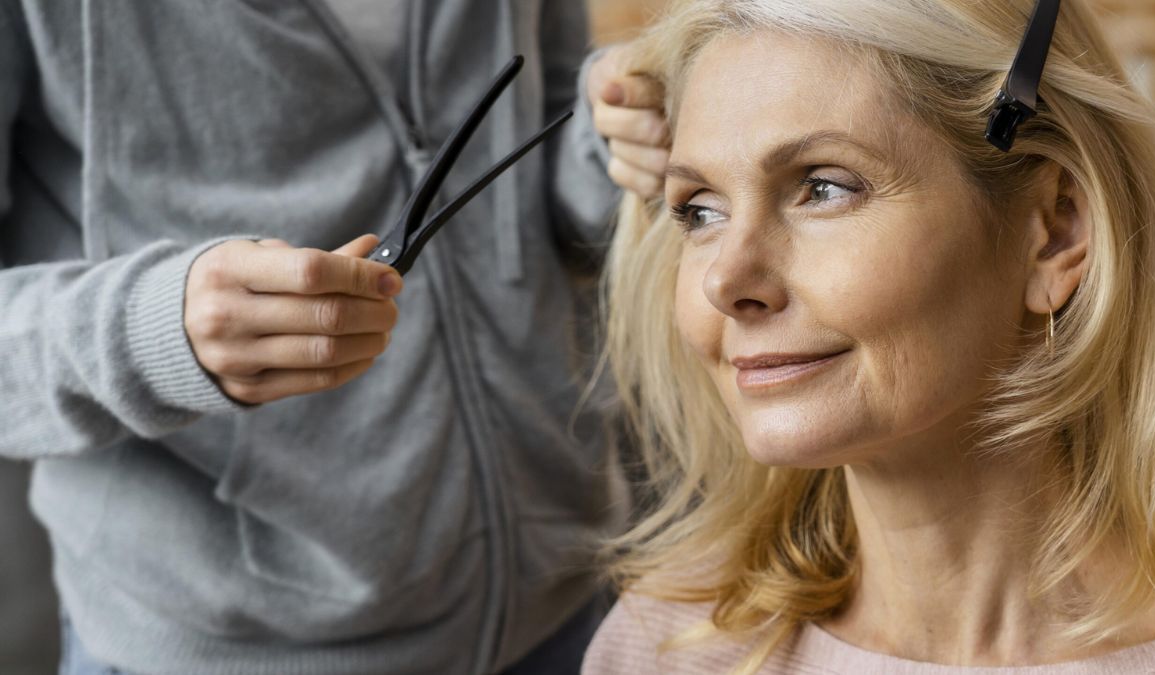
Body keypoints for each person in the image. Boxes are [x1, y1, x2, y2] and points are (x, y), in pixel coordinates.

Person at [0, 1, 667, 673]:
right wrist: (149, 332)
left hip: (570, 596)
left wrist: (611, 152)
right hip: (235, 647)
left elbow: (543, 172)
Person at [583, 0, 1155, 672]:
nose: (725, 280)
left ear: (1054, 231)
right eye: (699, 209)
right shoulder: (667, 647)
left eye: (823, 188)